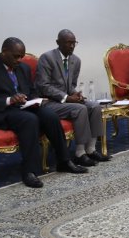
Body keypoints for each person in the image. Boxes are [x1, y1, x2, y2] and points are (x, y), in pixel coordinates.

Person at [0, 37, 88, 188]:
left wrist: (37, 100)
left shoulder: (23, 68)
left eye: (21, 56)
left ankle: (64, 161)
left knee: (50, 115)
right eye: (16, 56)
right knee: (29, 120)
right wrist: (9, 100)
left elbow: (31, 91)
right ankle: (29, 171)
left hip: (23, 107)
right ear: (4, 52)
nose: (19, 60)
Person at [35, 29, 111, 167]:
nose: (71, 46)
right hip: (49, 102)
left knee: (94, 106)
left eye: (74, 43)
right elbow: (43, 86)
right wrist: (67, 97)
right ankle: (80, 153)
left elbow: (71, 85)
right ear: (58, 42)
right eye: (68, 43)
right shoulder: (47, 58)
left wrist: (76, 95)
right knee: (80, 109)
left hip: (66, 101)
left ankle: (91, 149)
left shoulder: (76, 60)